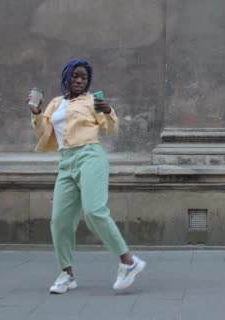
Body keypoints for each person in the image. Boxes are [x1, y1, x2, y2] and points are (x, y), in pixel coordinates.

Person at [28, 59, 145, 294]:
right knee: (60, 221)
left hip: (90, 156)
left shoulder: (93, 101)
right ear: (66, 78)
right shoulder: (55, 103)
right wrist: (36, 111)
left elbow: (111, 129)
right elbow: (43, 133)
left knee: (94, 212)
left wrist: (109, 111)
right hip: (66, 162)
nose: (79, 80)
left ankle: (129, 261)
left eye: (83, 77)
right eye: (75, 76)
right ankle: (67, 275)